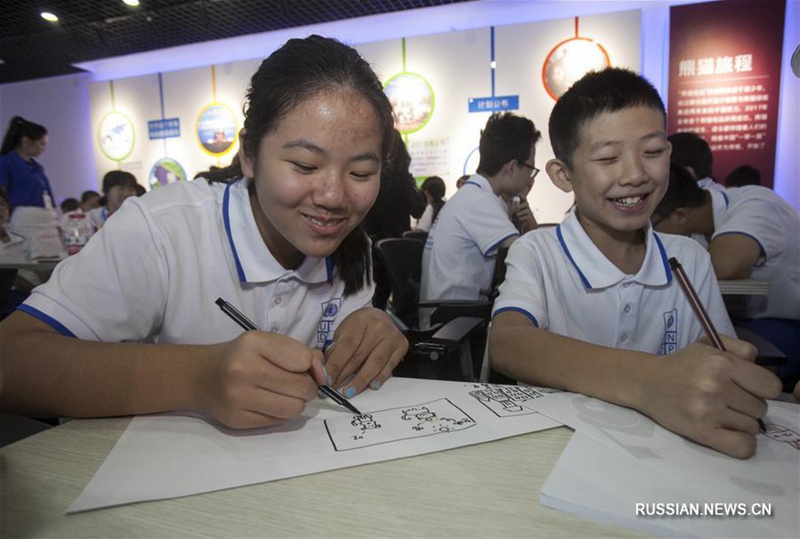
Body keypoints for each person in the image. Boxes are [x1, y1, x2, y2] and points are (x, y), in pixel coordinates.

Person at [0, 35, 407, 430]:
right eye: (304, 165)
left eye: (360, 173)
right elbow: (11, 360)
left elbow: (347, 350)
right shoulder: (161, 229)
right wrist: (197, 378)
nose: (335, 196)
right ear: (249, 154)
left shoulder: (353, 247)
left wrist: (373, 327)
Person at [489, 67, 781, 459]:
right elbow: (507, 342)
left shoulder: (689, 258)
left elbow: (719, 359)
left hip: (664, 456)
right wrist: (650, 380)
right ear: (563, 175)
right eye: (608, 157)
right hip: (559, 451)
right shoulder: (539, 252)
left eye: (653, 152)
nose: (635, 174)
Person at [651, 162, 800, 387]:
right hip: (741, 317)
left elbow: (726, 264)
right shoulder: (699, 227)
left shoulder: (757, 204)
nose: (647, 235)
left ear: (680, 216)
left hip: (782, 322)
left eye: (652, 225)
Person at [420, 112, 541, 306]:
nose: (530, 178)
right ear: (512, 167)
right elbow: (527, 256)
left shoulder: (473, 194)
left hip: (451, 315)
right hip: (457, 322)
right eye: (530, 168)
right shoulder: (480, 201)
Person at [362, 129, 426, 309]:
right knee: (401, 296)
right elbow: (418, 210)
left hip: (369, 245)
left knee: (375, 297)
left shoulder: (369, 177)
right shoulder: (403, 180)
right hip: (397, 245)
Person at [0, 117, 55, 212]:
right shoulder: (6, 163)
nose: (44, 149)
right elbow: (2, 193)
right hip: (18, 218)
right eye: (42, 144)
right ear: (26, 141)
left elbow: (48, 196)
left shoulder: (38, 168)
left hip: (42, 217)